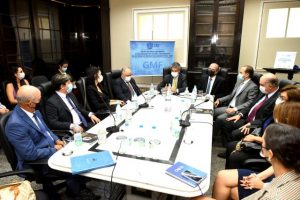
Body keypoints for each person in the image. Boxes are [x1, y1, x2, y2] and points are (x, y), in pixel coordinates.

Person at [5, 85, 99, 199]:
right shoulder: (15, 125)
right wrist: (54, 149)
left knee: (85, 155)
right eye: (38, 101)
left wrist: (57, 140)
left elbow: (47, 130)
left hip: (51, 149)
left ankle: (75, 187)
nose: (41, 103)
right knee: (77, 165)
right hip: (38, 162)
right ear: (29, 103)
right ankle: (76, 193)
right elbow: (30, 154)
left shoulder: (34, 112)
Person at [203, 101, 300, 200]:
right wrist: (260, 177)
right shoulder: (291, 156)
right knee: (222, 176)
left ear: (270, 154)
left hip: (271, 186)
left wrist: (263, 185)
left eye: (263, 143)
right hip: (274, 181)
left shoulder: (275, 195)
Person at [219, 73, 279, 152]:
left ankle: (233, 150)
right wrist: (240, 115)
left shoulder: (277, 100)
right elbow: (251, 106)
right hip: (247, 119)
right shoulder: (264, 92)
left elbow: (266, 119)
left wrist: (251, 124)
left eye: (261, 84)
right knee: (225, 122)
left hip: (256, 125)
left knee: (235, 133)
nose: (259, 86)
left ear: (270, 86)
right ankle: (228, 149)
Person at [213, 65, 258, 143]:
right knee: (212, 112)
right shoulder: (239, 82)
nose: (239, 75)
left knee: (219, 119)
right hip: (228, 107)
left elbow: (250, 102)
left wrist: (235, 109)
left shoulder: (253, 86)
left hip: (237, 110)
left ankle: (211, 138)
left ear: (247, 74)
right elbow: (231, 95)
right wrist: (220, 100)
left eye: (241, 73)